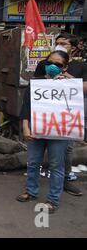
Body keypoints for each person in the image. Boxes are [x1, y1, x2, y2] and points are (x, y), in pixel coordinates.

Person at [17, 51, 71, 213]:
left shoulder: (70, 85)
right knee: (33, 162)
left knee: (56, 165)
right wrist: (26, 127)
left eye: (59, 64)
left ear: (65, 67)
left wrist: (69, 79)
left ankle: (53, 200)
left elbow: (75, 108)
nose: (53, 67)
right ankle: (31, 191)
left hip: (59, 131)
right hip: (36, 129)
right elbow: (26, 106)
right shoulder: (35, 83)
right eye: (50, 63)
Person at [34, 34, 85, 197]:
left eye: (64, 43)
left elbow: (84, 88)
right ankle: (33, 186)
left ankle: (65, 180)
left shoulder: (80, 66)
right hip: (45, 115)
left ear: (74, 47)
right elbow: (35, 85)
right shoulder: (44, 64)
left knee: (67, 151)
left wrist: (67, 78)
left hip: (66, 118)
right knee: (38, 150)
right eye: (57, 43)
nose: (60, 45)